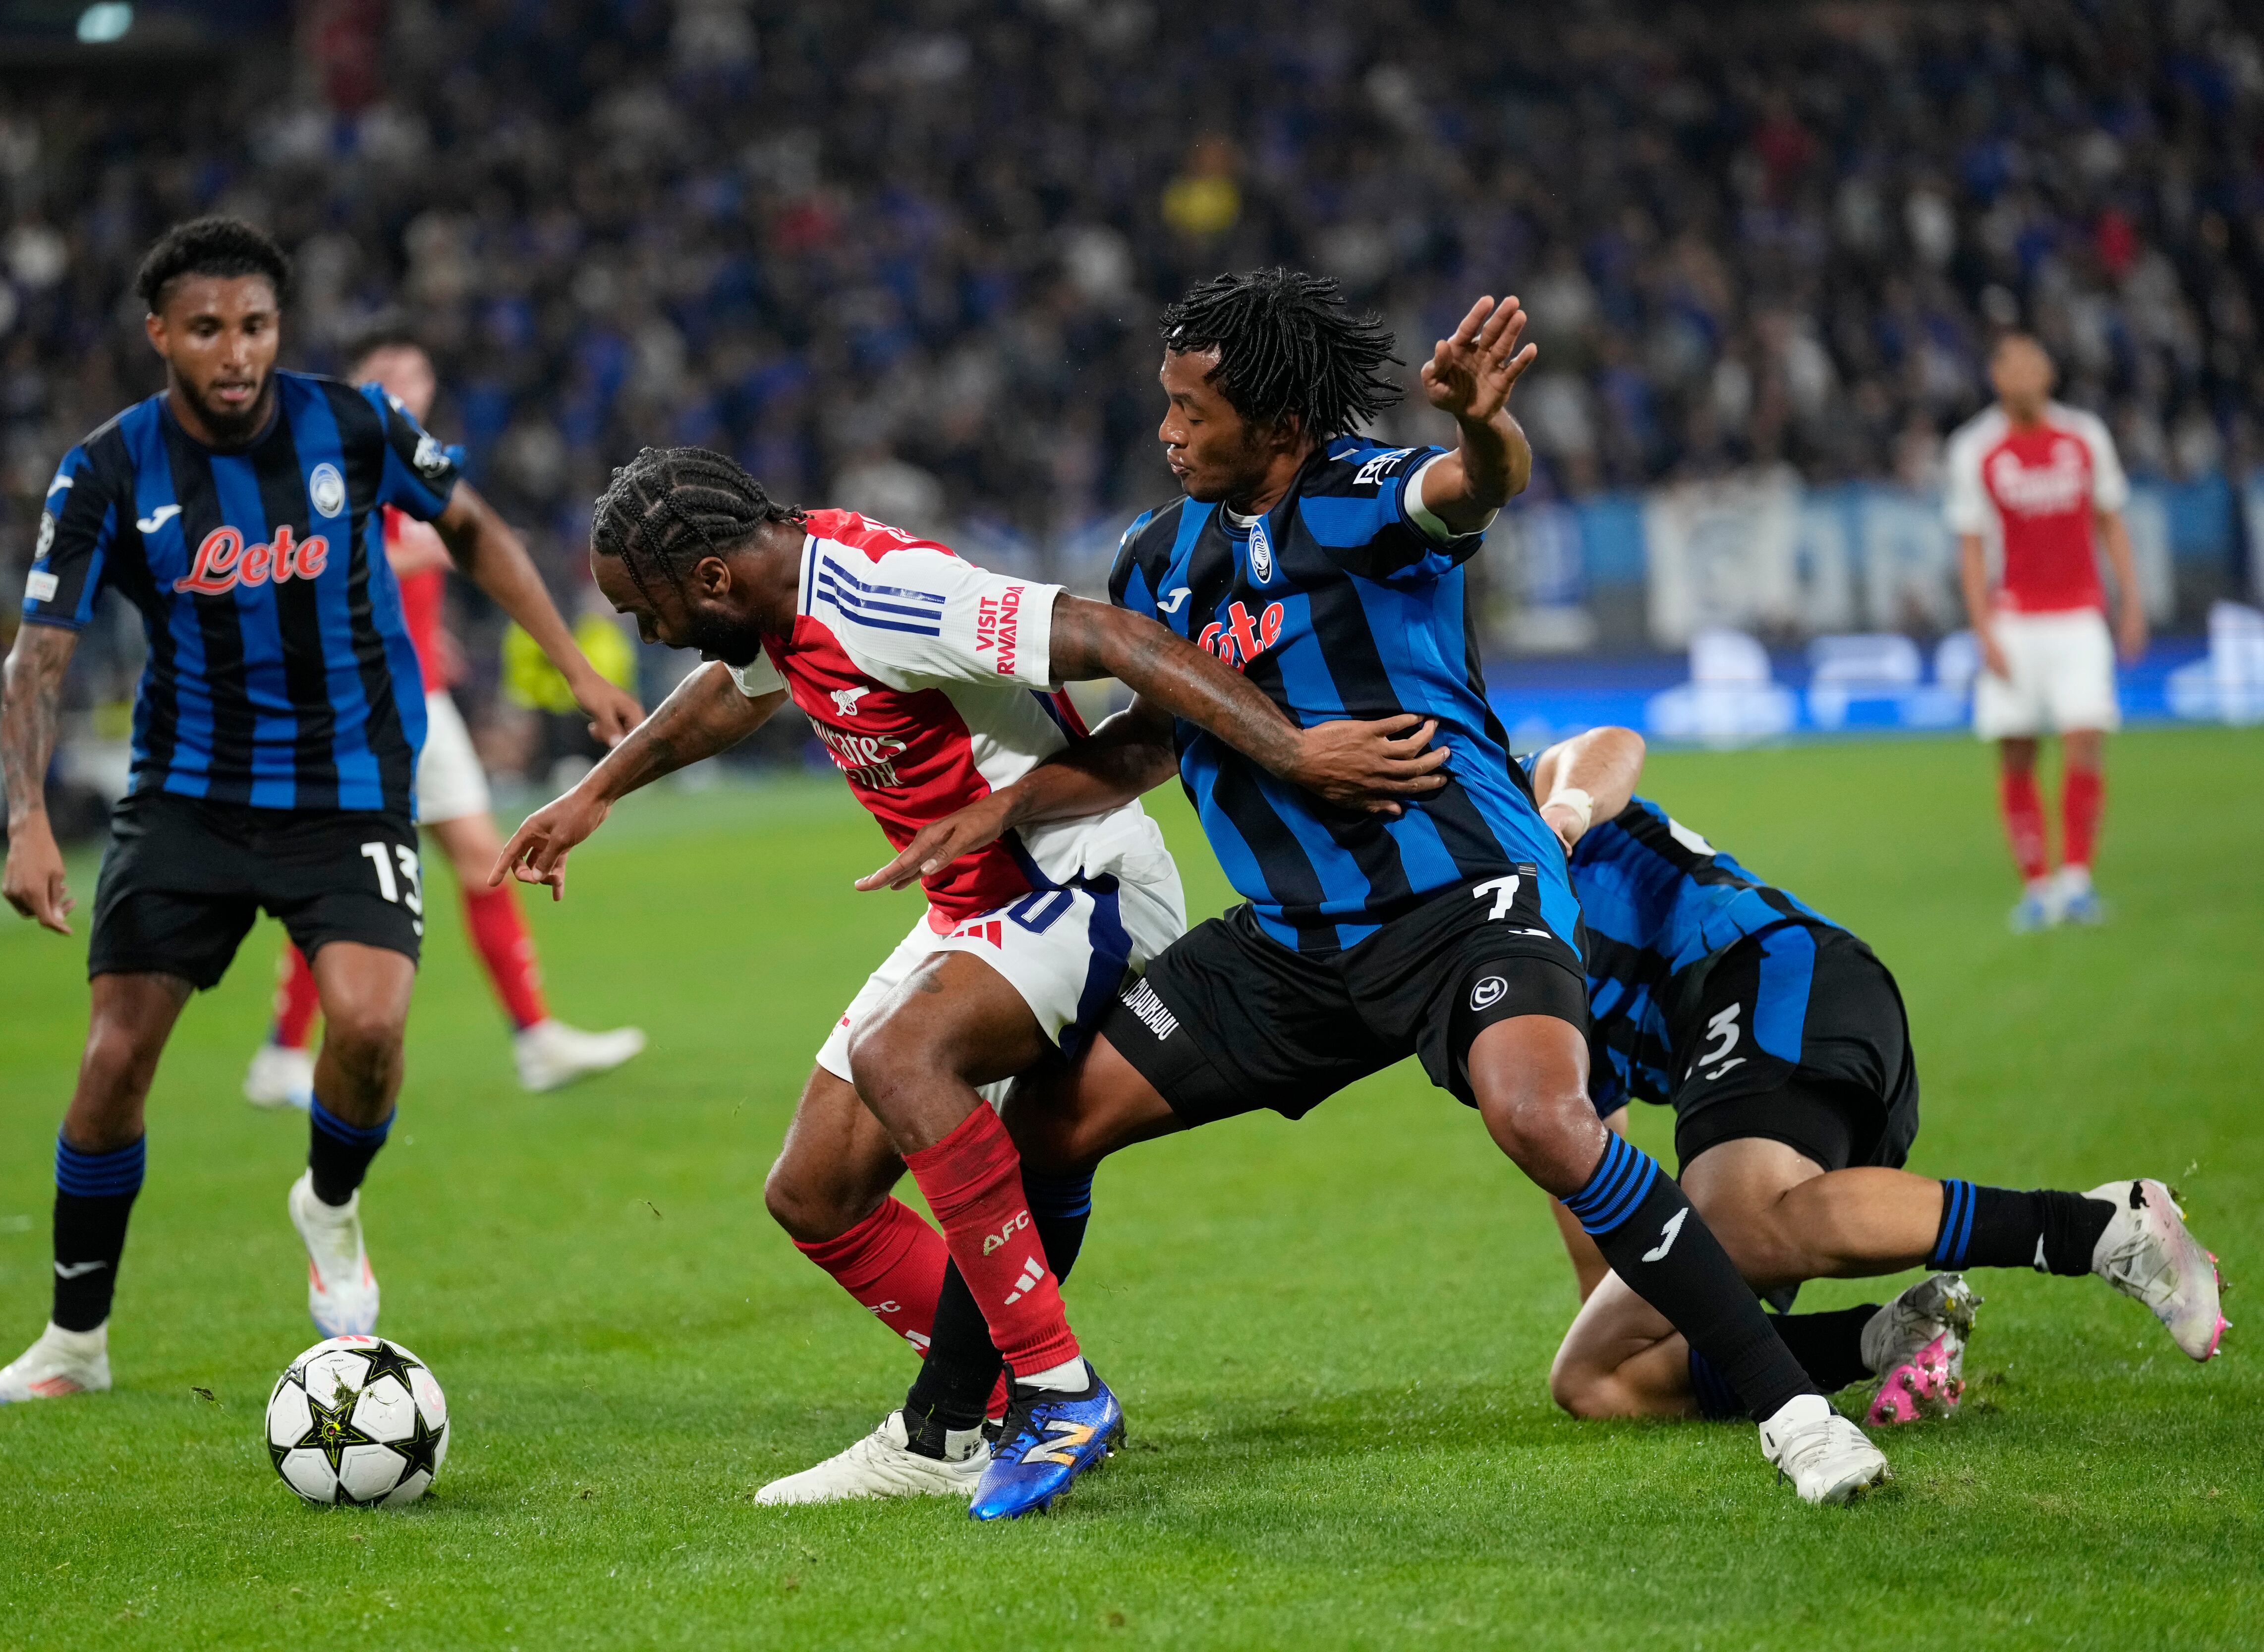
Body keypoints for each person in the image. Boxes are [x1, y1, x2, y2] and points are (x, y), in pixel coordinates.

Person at [749, 269, 1893, 1510]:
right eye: (1166, 403)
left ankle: (1793, 1410)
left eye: (1193, 410)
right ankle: (949, 1427)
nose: (1168, 431)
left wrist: (1478, 423)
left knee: (1544, 1121)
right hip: (1289, 948)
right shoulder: (1157, 556)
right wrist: (1014, 802)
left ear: (1281, 428)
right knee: (1047, 1123)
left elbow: (1475, 487)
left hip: (1461, 900)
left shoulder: (1365, 501)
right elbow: (1157, 740)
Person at [491, 445, 1448, 1518]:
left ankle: (1055, 1392)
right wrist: (598, 793)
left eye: (640, 610)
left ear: (709, 578)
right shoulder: (773, 598)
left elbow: (1119, 638)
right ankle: (965, 1412)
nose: (644, 633)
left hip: (1077, 879)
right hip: (974, 907)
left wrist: (1295, 752)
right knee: (813, 1193)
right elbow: (733, 691)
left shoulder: (890, 594)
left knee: (900, 1055)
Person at [0, 217, 638, 1406]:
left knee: (372, 1031)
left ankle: (329, 1205)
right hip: (186, 796)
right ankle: (76, 1340)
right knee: (116, 1058)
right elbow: (40, 654)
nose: (236, 353)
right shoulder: (107, 468)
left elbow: (471, 525)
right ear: (161, 335)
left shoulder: (356, 423)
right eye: (210, 329)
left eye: (257, 327)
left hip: (348, 787)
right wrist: (26, 814)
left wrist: (576, 669)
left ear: (281, 330)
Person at [1523, 726, 2226, 1421]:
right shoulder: (1487, 977)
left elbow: (1612, 745)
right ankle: (1894, 1334)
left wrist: (1565, 814)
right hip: (1755, 1064)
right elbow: (1581, 1161)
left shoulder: (1501, 805)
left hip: (1773, 972)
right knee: (1597, 1374)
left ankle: (2099, 1227)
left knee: (1726, 1223)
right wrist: (1636, 1311)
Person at [241, 335, 647, 1108]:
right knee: (345, 874)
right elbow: (295, 563)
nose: (404, 387)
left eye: (416, 373)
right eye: (385, 376)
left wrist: (433, 632)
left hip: (420, 691)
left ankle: (535, 1038)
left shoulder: (413, 463)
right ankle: (281, 1052)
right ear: (358, 386)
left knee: (480, 856)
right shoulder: (334, 459)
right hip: (355, 701)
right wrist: (418, 561)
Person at [1947, 332, 2145, 932]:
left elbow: (2109, 521)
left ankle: (2077, 881)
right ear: (1997, 378)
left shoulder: (2083, 438)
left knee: (2084, 738)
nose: (2026, 376)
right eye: (2013, 367)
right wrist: (1983, 630)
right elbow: (1972, 548)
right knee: (2017, 749)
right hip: (2013, 619)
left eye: (2035, 365)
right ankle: (2036, 887)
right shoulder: (1974, 449)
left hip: (2078, 614)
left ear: (2049, 375)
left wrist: (2130, 601)